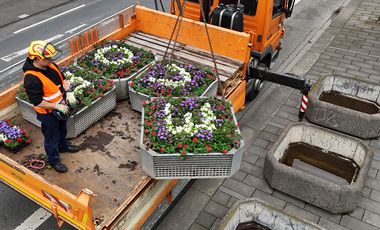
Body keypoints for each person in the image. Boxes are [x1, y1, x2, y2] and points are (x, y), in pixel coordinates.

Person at [23, 40, 80, 173]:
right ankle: (54, 160)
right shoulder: (31, 78)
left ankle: (63, 146)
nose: (51, 60)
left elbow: (63, 79)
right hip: (48, 114)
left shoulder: (50, 65)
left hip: (60, 107)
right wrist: (56, 106)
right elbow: (37, 101)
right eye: (48, 58)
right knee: (51, 137)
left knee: (62, 130)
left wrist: (69, 92)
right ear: (37, 58)